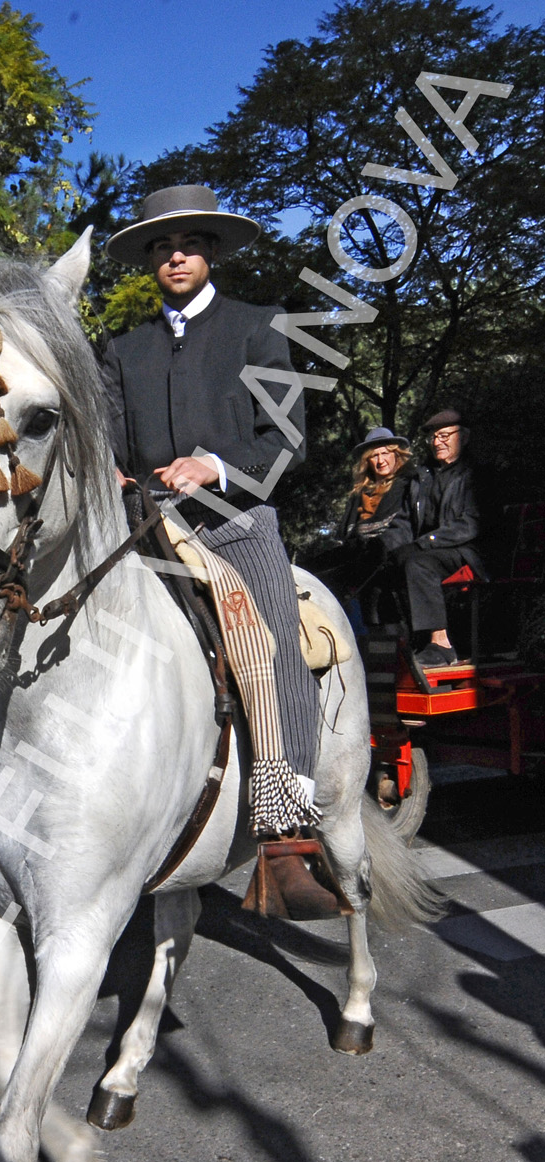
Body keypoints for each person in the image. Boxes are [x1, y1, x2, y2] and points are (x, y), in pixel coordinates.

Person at [103, 184, 337, 919]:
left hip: (233, 523)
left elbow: (286, 439)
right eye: (163, 247)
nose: (176, 256)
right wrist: (105, 468)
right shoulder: (121, 349)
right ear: (150, 261)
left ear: (211, 254)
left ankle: (287, 834)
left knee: (270, 644)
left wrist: (214, 467)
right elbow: (107, 437)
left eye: (190, 244)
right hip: (143, 528)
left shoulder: (259, 328)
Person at [391, 408, 483, 667]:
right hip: (430, 551)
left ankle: (441, 644)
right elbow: (404, 520)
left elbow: (471, 524)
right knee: (393, 564)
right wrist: (393, 547)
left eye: (444, 435)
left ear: (463, 437)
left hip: (468, 551)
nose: (437, 442)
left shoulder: (476, 474)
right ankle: (404, 643)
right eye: (433, 437)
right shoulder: (421, 477)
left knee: (418, 564)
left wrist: (424, 543)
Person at [320, 426, 419, 627]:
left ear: (396, 456)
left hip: (390, 553)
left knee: (371, 580)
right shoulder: (359, 493)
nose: (380, 460)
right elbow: (348, 535)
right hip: (357, 553)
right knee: (314, 574)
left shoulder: (409, 485)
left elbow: (406, 527)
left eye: (385, 453)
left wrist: (376, 543)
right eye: (374, 456)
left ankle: (384, 636)